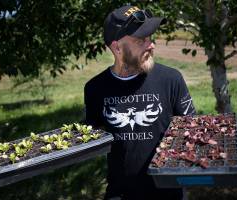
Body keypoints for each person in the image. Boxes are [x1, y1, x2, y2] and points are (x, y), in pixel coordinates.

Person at [84, 5, 196, 200]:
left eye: (150, 37)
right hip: (120, 193)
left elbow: (193, 130)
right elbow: (93, 137)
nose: (151, 45)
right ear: (117, 47)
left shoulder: (171, 79)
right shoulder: (95, 89)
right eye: (141, 40)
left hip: (169, 193)